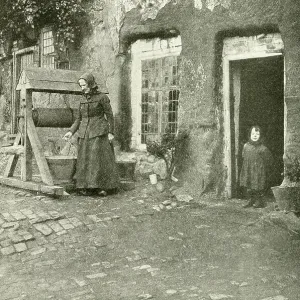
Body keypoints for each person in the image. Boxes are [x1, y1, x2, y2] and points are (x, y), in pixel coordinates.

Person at [63, 72, 119, 196]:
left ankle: (101, 187)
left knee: (97, 160)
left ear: (91, 84)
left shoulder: (102, 97)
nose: (82, 88)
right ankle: (85, 187)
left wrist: (111, 132)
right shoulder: (82, 99)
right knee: (84, 160)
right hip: (84, 133)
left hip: (99, 132)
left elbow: (110, 115)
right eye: (81, 86)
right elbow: (78, 119)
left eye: (84, 85)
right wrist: (70, 132)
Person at [239, 125, 273, 208]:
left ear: (260, 136)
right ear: (249, 134)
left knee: (257, 186)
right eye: (253, 133)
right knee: (249, 186)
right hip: (248, 169)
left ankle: (259, 201)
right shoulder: (246, 146)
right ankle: (251, 199)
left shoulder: (263, 148)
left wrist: (261, 167)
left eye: (257, 134)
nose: (254, 136)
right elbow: (243, 155)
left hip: (258, 171)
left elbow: (269, 160)